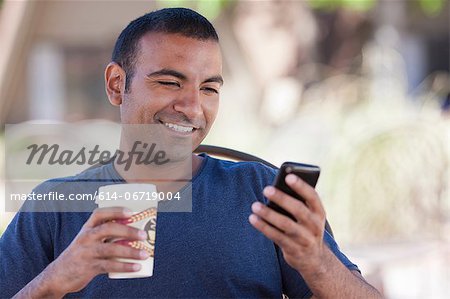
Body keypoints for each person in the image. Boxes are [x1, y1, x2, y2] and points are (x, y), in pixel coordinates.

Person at [0, 8, 382, 298]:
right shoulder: (53, 207)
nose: (192, 107)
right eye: (169, 82)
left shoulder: (261, 192)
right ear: (117, 85)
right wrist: (54, 280)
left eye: (209, 89)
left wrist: (317, 264)